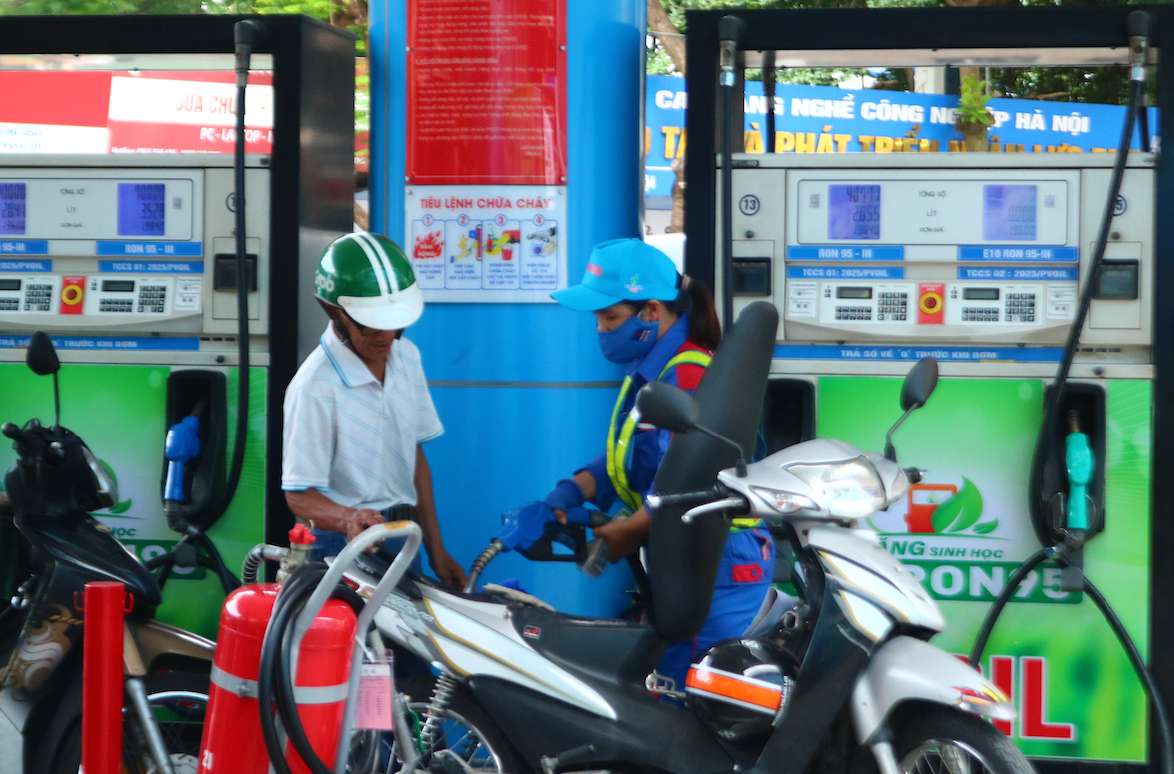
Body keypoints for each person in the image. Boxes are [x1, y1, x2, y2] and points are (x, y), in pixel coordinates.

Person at [539, 237, 774, 688]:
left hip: (719, 559)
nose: (600, 330)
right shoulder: (649, 371)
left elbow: (689, 482)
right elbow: (624, 461)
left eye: (609, 317)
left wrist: (625, 533)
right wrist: (568, 494)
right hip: (685, 553)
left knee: (691, 699)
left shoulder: (687, 374)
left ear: (650, 311)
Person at [281, 232, 466, 589]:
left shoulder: (406, 358)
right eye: (370, 325)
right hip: (340, 547)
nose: (385, 335)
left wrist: (436, 549)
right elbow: (298, 495)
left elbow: (414, 458)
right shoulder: (315, 387)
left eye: (395, 322)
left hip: (401, 536)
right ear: (335, 313)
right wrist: (347, 518)